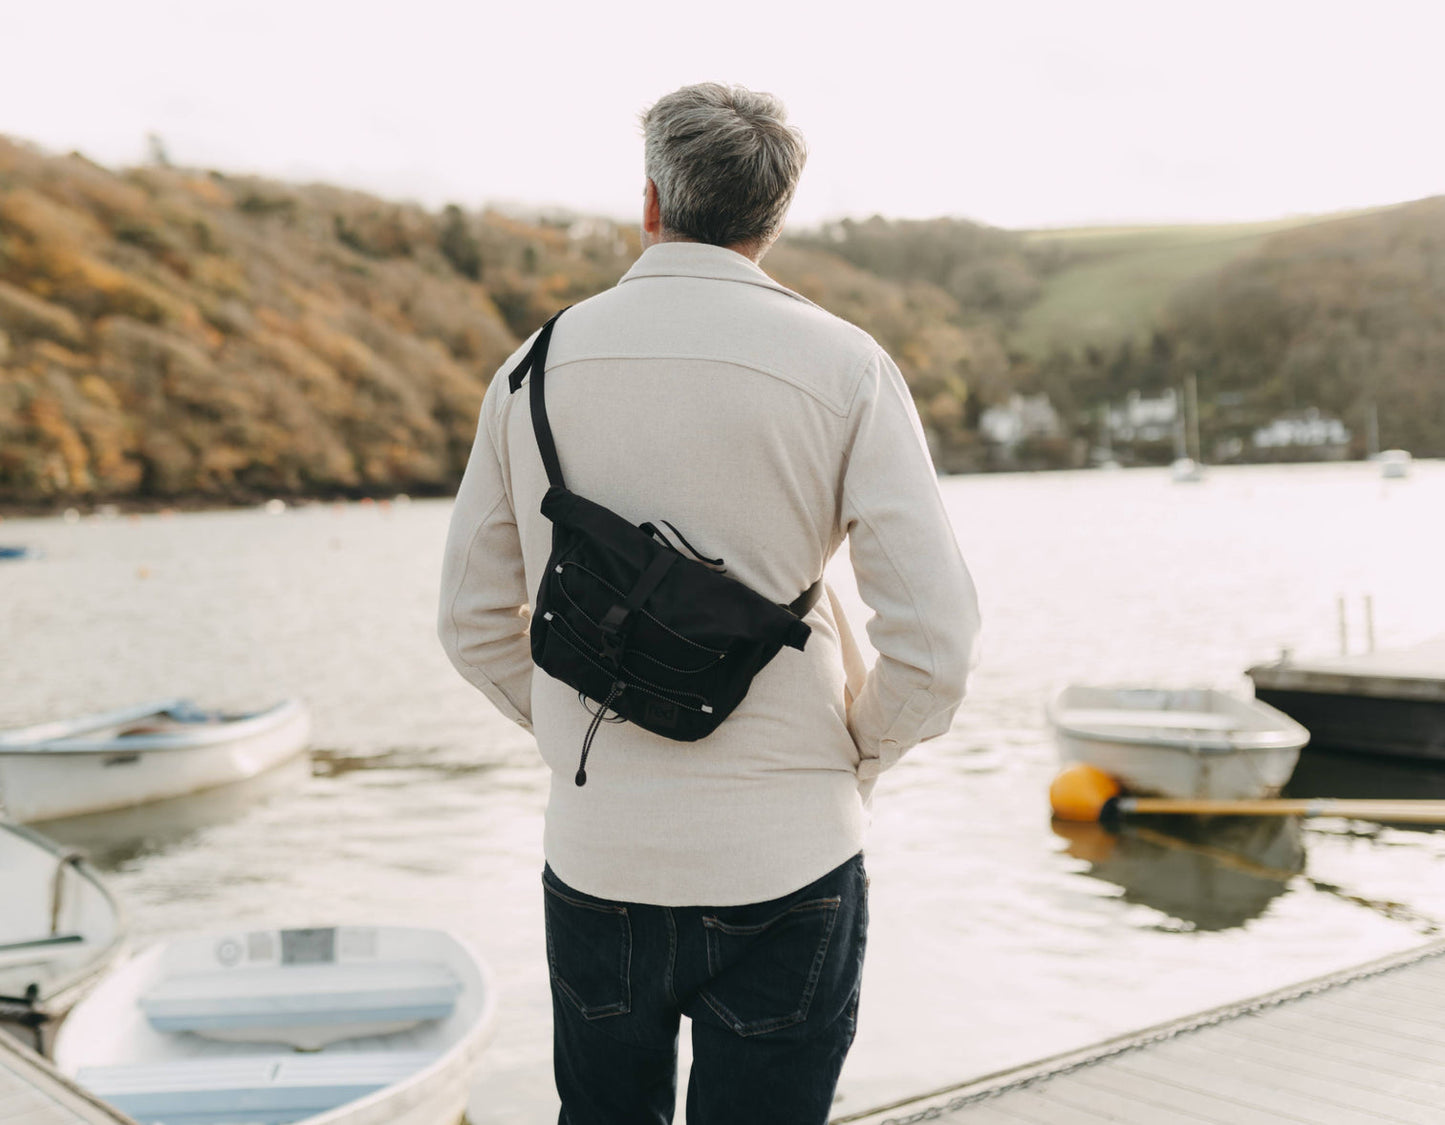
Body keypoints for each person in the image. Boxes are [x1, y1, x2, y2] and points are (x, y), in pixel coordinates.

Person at [438, 82, 980, 1125]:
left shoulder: (530, 369)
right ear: (776, 216)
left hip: (598, 852)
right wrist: (853, 753)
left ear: (649, 201)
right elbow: (936, 646)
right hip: (791, 854)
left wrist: (571, 723)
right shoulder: (845, 367)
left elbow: (471, 622)